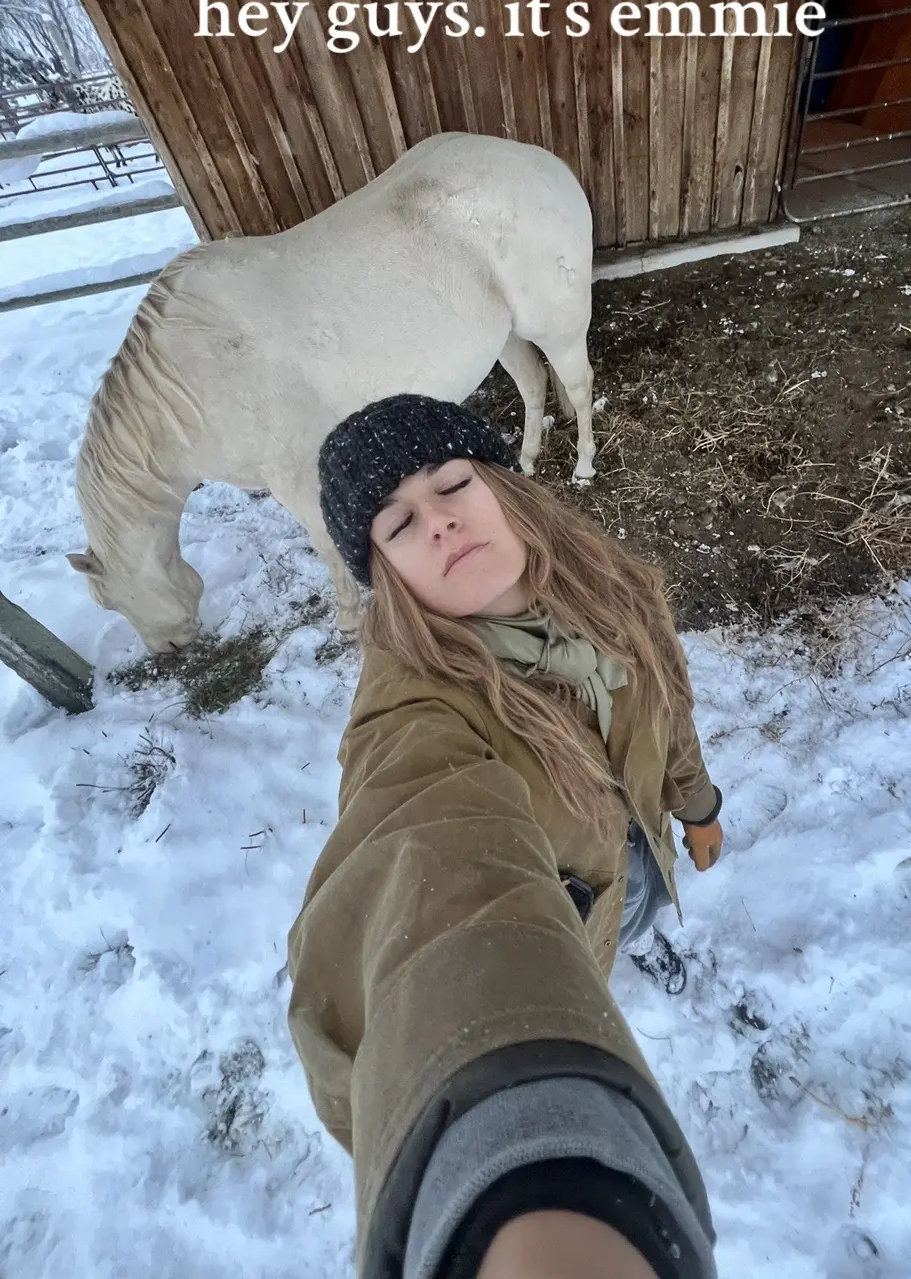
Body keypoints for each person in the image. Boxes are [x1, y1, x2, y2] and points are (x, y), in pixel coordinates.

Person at [287, 394, 726, 1279]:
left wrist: (696, 803)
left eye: (452, 483)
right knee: (581, 959)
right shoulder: (417, 709)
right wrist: (510, 1135)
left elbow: (668, 710)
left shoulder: (613, 588)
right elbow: (426, 865)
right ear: (383, 573)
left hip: (638, 853)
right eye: (399, 523)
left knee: (632, 913)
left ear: (505, 488)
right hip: (550, 921)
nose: (440, 520)